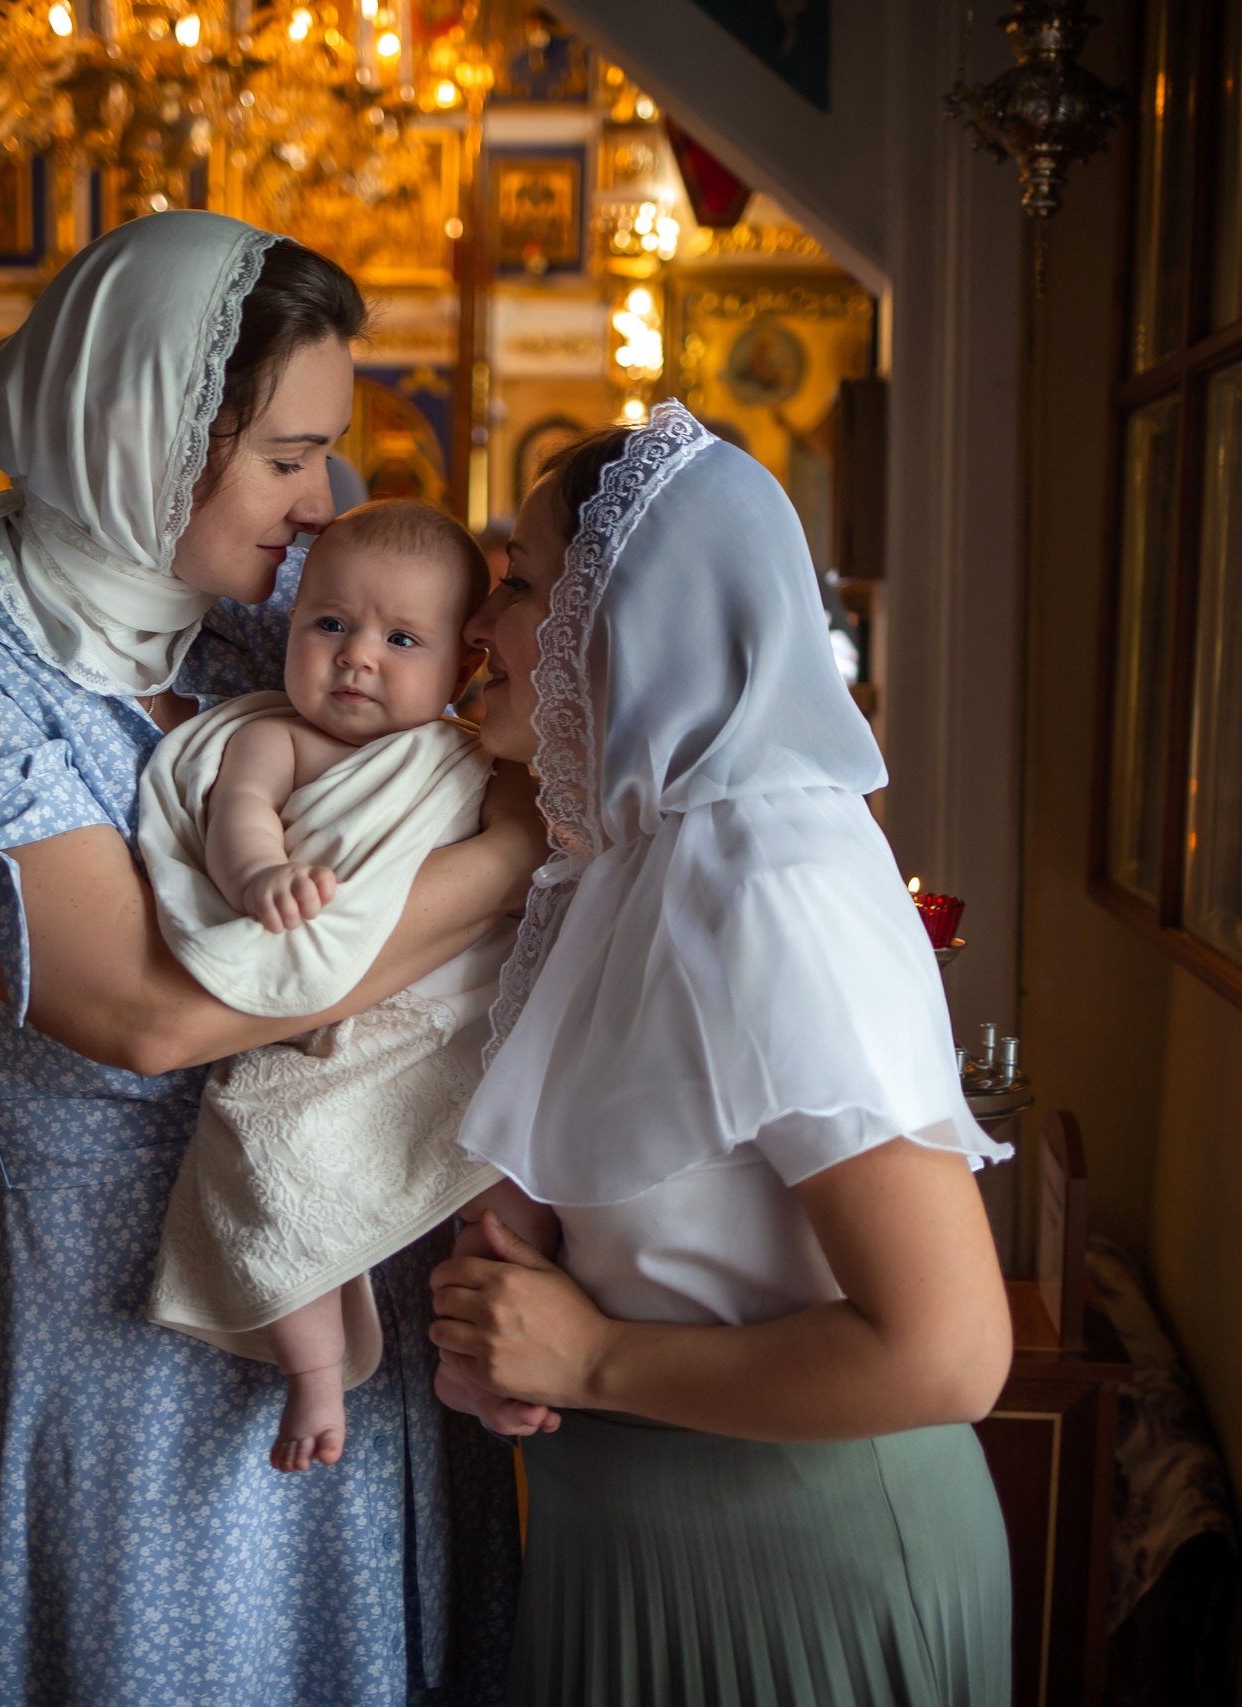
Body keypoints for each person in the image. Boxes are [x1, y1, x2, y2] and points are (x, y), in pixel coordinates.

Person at [0, 210, 545, 1704]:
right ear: (141, 425)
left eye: (326, 451)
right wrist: (510, 860)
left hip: (372, 1279)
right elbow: (144, 1012)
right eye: (286, 453)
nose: (321, 495)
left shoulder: (260, 626)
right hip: (120, 1340)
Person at [429, 404, 1020, 1704]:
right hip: (629, 1539)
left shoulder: (771, 881)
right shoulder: (621, 866)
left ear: (634, 612)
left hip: (802, 1559)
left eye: (522, 584)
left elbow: (953, 1350)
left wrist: (590, 1357)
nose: (481, 627)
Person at [133, 498, 557, 1473]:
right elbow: (241, 818)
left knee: (508, 1190)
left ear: (460, 665)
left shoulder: (474, 750)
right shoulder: (272, 740)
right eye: (329, 624)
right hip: (327, 1033)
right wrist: (262, 876)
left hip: (452, 1021)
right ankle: (315, 1377)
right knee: (271, 1166)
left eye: (400, 637)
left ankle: (480, 1365)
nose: (357, 655)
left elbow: (529, 854)